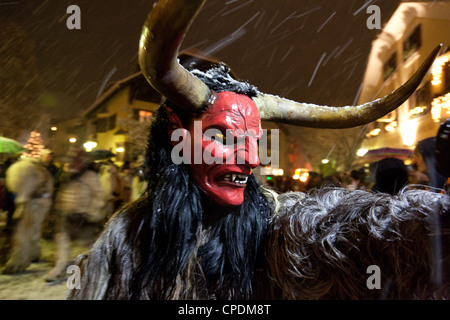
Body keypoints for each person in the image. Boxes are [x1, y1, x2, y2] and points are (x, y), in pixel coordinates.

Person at [67, 0, 448, 300]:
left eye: (253, 142)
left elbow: (358, 233)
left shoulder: (273, 223)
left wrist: (437, 220)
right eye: (221, 138)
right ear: (176, 137)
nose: (250, 159)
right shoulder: (126, 238)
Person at [44, 148, 105, 282]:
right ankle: (59, 269)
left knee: (84, 246)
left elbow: (99, 195)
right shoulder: (67, 175)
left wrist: (92, 211)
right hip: (66, 214)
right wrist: (58, 207)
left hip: (83, 216)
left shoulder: (90, 176)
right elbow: (62, 193)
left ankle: (84, 273)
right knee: (62, 242)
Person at [1, 155, 53, 274]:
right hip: (42, 203)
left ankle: (19, 261)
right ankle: (34, 253)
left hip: (30, 204)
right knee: (34, 230)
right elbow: (49, 189)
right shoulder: (43, 171)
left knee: (23, 231)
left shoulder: (24, 169)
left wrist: (21, 203)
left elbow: (19, 189)